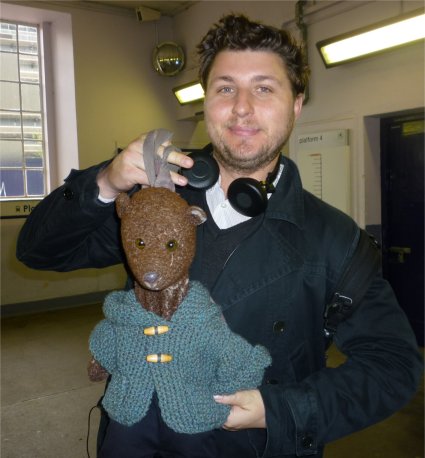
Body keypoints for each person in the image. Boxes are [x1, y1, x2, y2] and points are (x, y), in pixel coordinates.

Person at [17, 14, 422, 458]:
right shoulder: (155, 200)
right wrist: (106, 182)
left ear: (296, 105)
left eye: (264, 89)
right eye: (225, 88)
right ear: (206, 102)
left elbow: (393, 366)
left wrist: (279, 409)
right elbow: (39, 250)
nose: (242, 107)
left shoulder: (333, 238)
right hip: (133, 438)